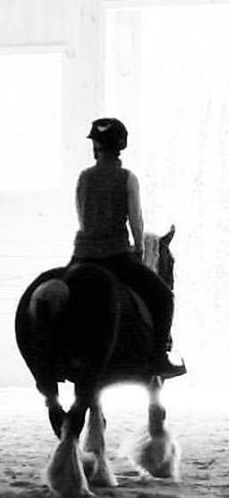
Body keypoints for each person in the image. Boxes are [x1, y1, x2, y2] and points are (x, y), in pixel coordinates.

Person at [70, 117, 185, 378]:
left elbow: (81, 216)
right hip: (115, 257)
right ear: (121, 145)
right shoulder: (127, 178)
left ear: (95, 146)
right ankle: (159, 357)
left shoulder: (84, 177)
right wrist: (138, 251)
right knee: (164, 298)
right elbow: (136, 221)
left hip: (82, 256)